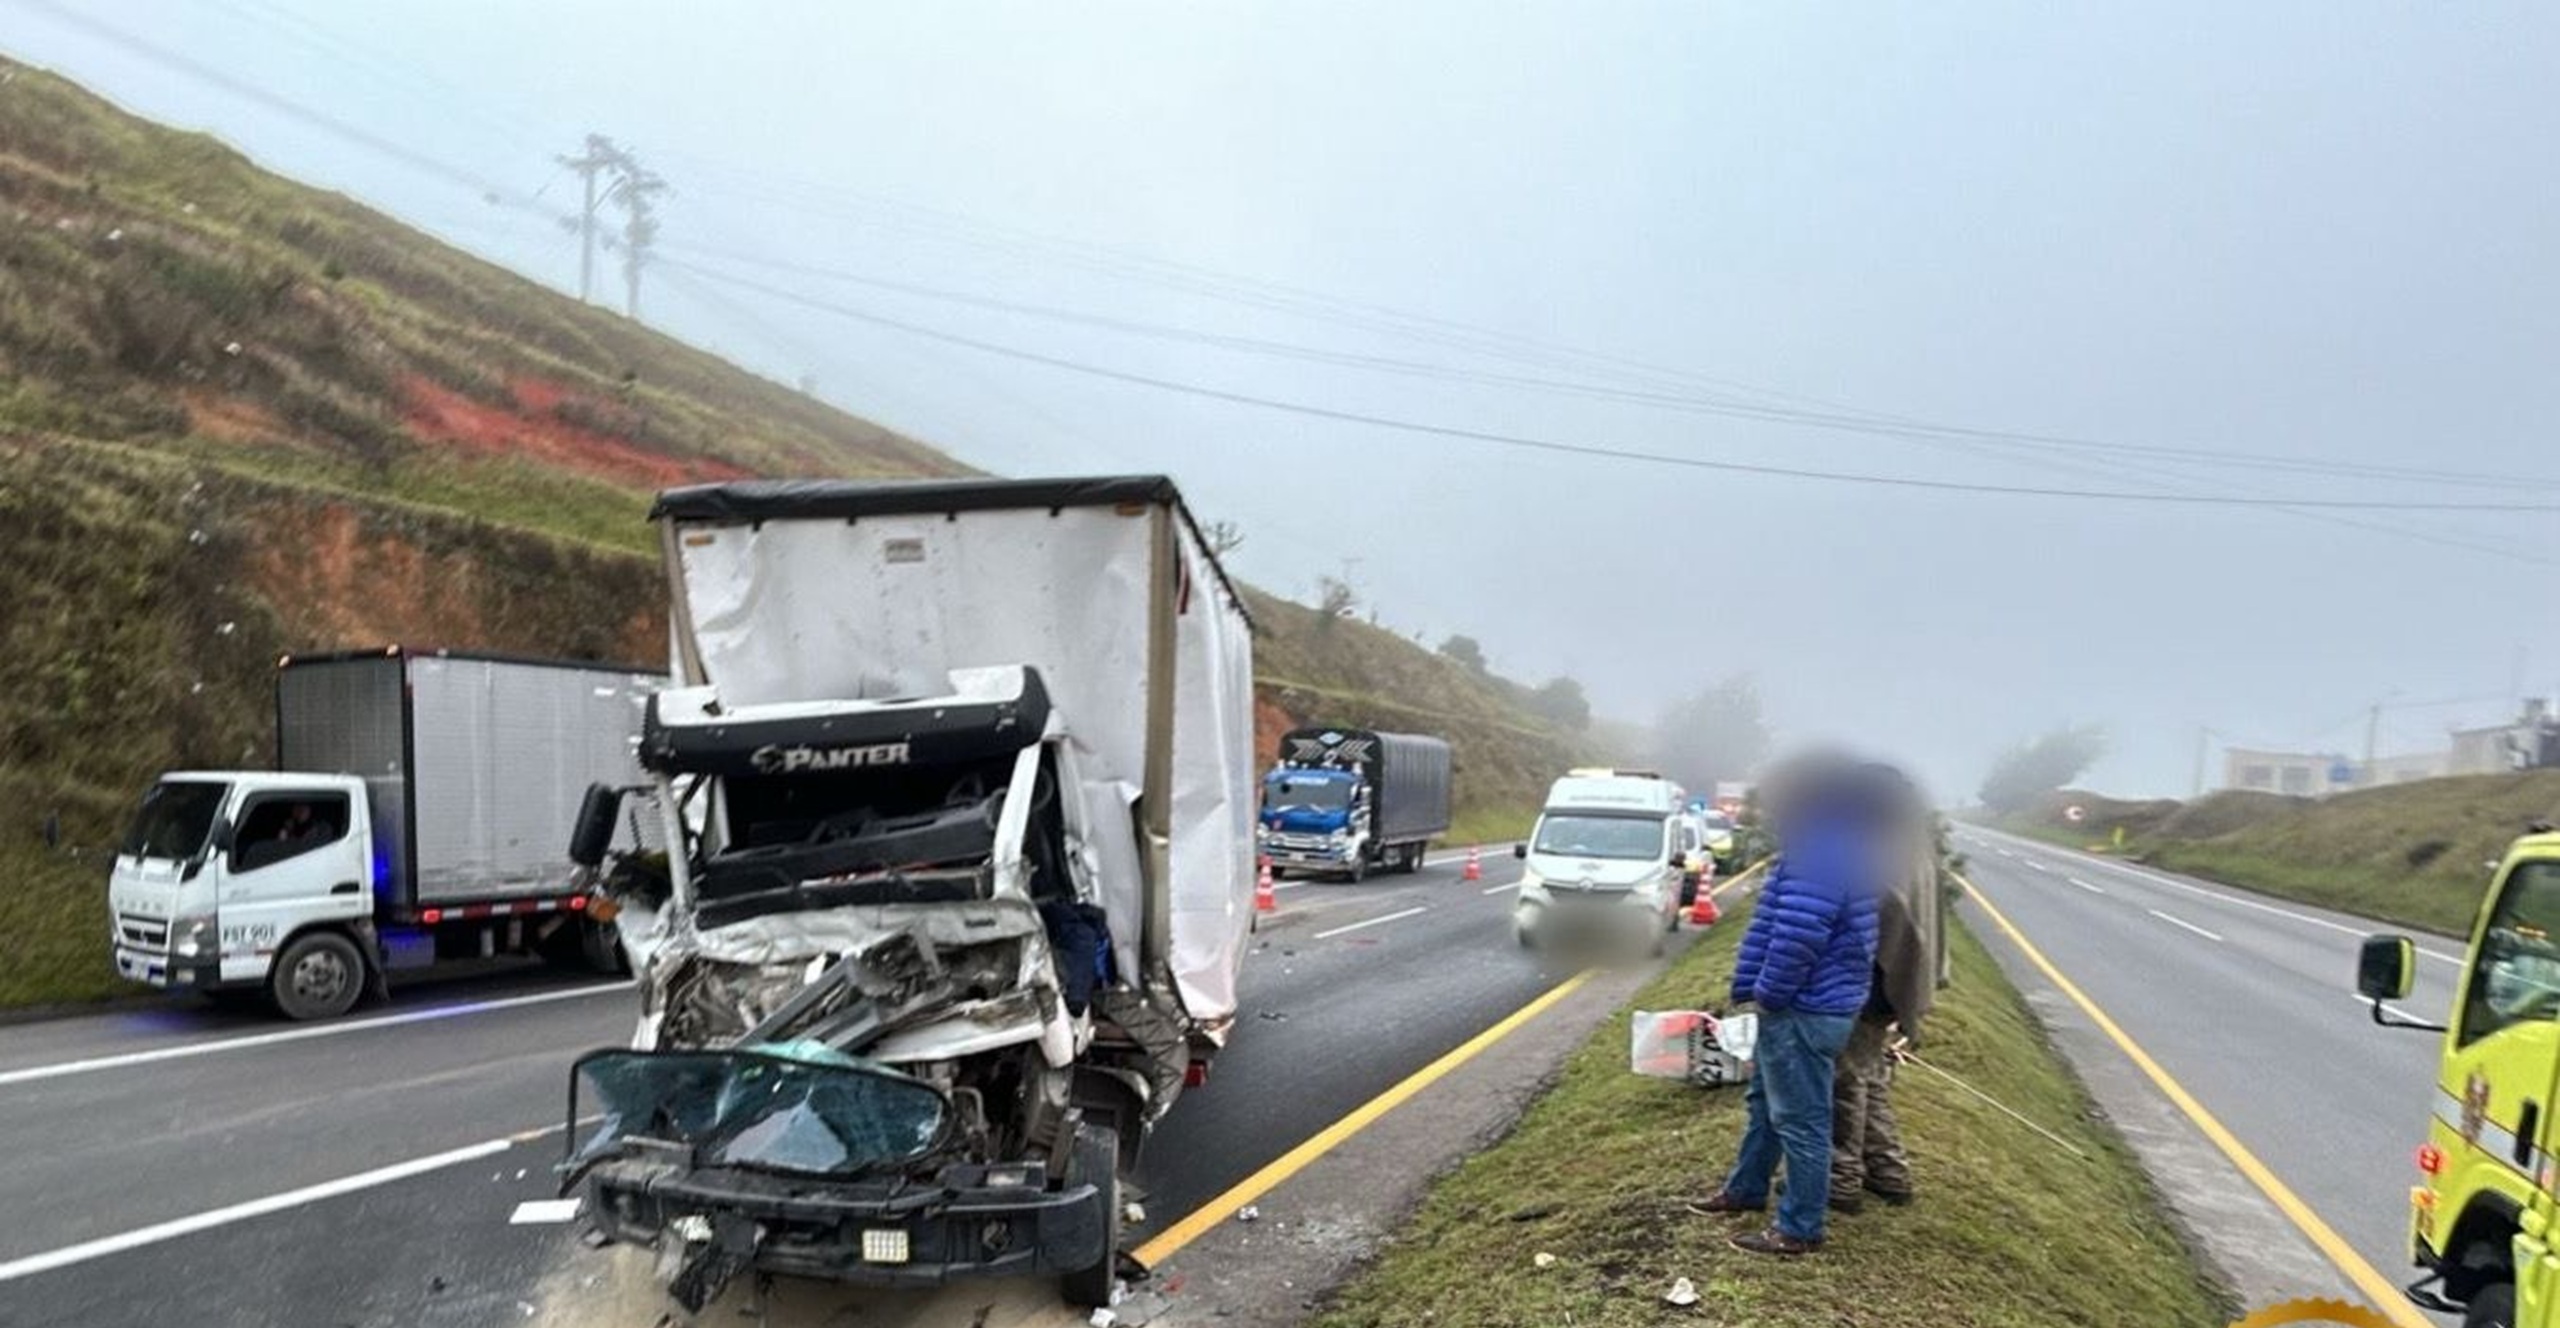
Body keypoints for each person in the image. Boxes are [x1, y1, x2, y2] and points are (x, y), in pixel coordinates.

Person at [1689, 757, 1884, 1256]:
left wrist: (1770, 994)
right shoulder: (1838, 845)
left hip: (1804, 1007)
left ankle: (1799, 1227)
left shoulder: (1821, 851)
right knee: (1765, 1106)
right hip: (1814, 1004)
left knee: (1801, 1120)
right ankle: (1746, 1189)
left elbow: (1799, 934)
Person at [1830, 765, 1938, 1214]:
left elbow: (1861, 924)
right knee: (1868, 1077)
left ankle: (1840, 1181)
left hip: (1866, 983)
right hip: (1890, 985)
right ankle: (1889, 1173)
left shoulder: (1877, 851)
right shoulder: (1912, 842)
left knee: (1844, 1083)